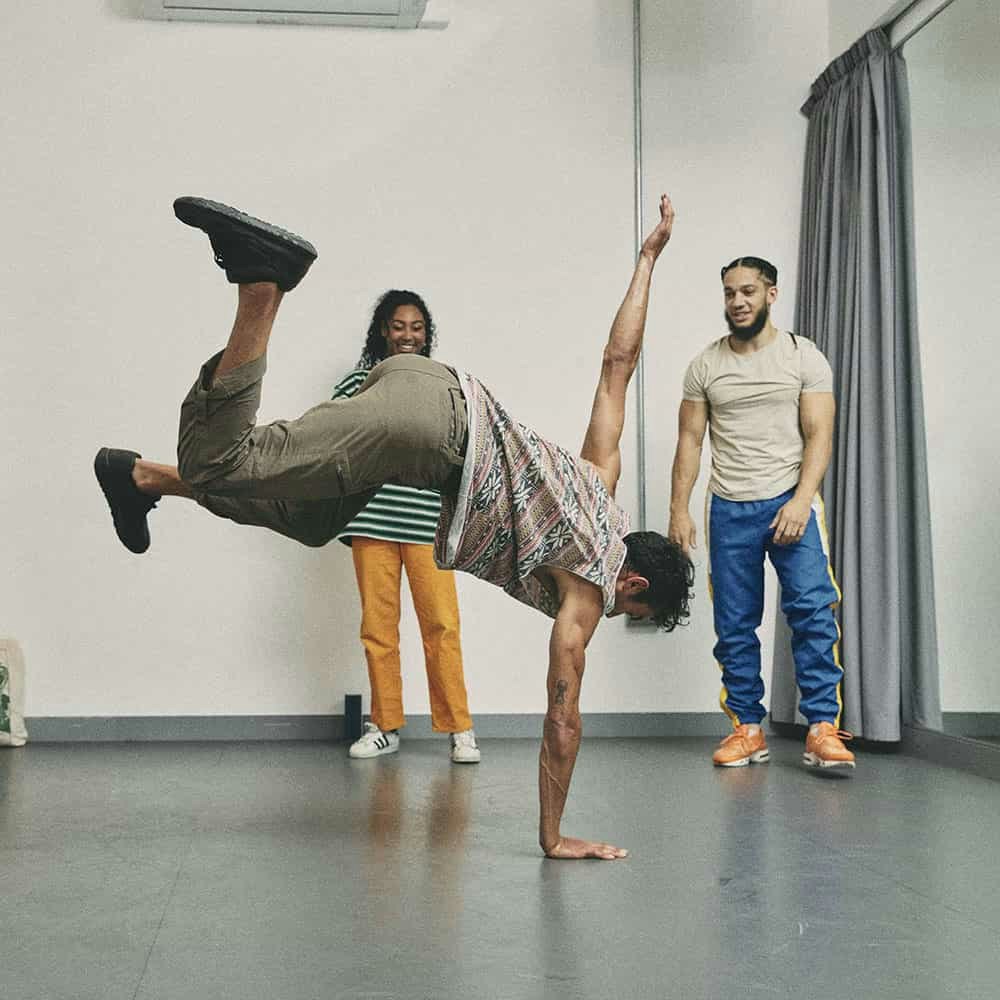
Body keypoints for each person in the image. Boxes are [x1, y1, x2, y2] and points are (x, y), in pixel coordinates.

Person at [94, 192, 694, 860]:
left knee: (308, 519)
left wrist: (647, 259)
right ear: (632, 579)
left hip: (424, 397)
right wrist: (554, 838)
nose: (610, 616)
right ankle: (261, 285)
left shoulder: (600, 483)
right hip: (426, 432)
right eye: (628, 608)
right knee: (222, 461)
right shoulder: (586, 591)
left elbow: (619, 363)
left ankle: (143, 478)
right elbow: (562, 722)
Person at [667, 256, 855, 771]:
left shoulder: (802, 356)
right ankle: (747, 728)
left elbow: (821, 434)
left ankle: (821, 729)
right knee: (734, 624)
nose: (737, 302)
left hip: (789, 501)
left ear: (770, 294)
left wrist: (800, 499)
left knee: (814, 613)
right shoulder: (705, 365)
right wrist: (677, 510)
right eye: (730, 293)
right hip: (729, 507)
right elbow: (689, 442)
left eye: (747, 291)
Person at [331, 290, 479, 764]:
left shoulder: (443, 384)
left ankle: (459, 729)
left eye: (417, 327)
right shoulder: (357, 383)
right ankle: (385, 724)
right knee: (378, 628)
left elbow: (466, 445)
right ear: (382, 330)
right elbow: (334, 439)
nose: (408, 335)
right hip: (371, 522)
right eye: (399, 326)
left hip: (427, 524)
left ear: (426, 333)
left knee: (442, 626)